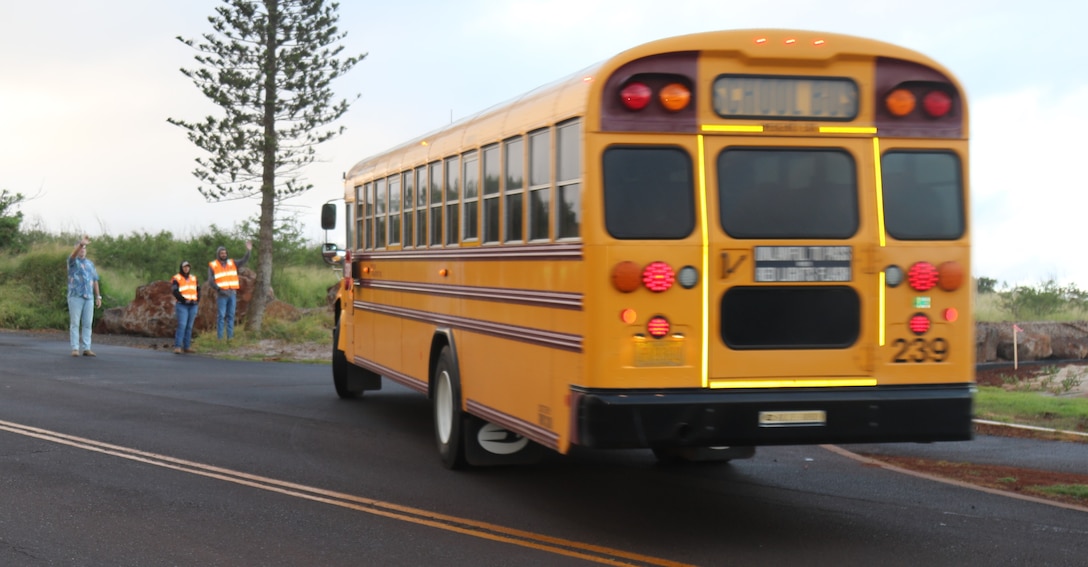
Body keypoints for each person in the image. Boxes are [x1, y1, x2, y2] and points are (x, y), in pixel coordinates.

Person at [208, 240, 252, 340]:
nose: (223, 254)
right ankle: (220, 338)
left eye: (225, 253)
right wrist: (218, 289)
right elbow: (211, 280)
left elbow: (244, 260)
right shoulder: (213, 265)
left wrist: (248, 251)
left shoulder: (232, 263)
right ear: (218, 254)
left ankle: (230, 338)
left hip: (232, 293)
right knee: (221, 317)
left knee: (231, 316)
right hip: (222, 294)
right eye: (221, 253)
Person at [67, 234, 101, 357]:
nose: (83, 250)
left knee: (87, 323)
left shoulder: (90, 264)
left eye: (84, 248)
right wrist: (81, 243)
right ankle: (75, 348)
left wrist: (98, 296)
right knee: (75, 322)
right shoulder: (72, 261)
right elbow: (72, 255)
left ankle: (87, 348)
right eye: (81, 248)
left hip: (89, 297)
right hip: (76, 295)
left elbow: (95, 280)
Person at [171, 260, 200, 354]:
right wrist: (183, 299)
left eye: (188, 267)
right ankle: (177, 346)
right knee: (182, 325)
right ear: (181, 268)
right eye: (184, 267)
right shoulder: (177, 278)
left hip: (193, 305)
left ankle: (187, 346)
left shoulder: (193, 278)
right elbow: (175, 291)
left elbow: (198, 290)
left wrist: (197, 299)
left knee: (189, 326)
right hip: (182, 305)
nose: (186, 268)